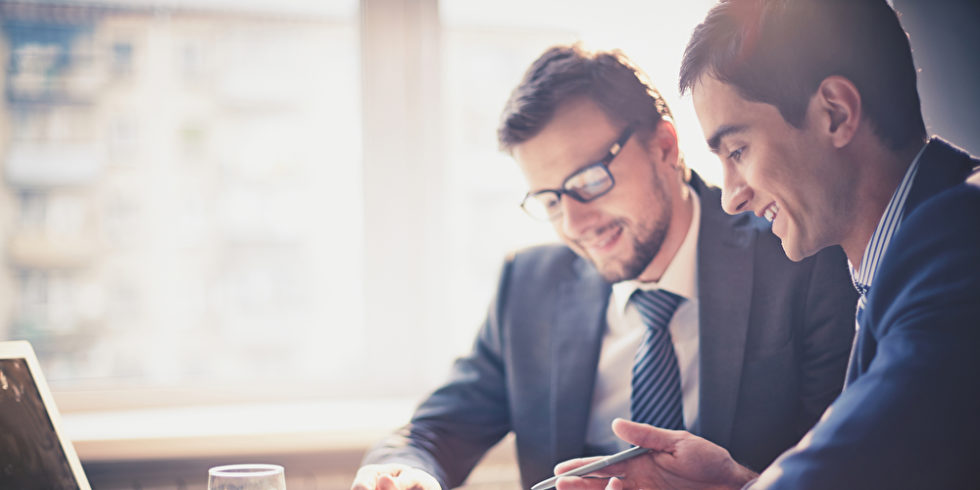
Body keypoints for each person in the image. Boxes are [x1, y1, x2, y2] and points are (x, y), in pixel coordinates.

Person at [351, 44, 858, 490]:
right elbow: (433, 432)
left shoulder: (798, 258)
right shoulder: (528, 287)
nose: (574, 222)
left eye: (589, 181)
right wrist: (404, 474)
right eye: (549, 200)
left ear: (665, 146)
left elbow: (848, 471)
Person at [550, 1, 980, 489]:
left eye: (738, 151)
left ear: (835, 113)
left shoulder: (959, 238)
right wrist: (736, 484)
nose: (731, 199)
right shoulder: (900, 259)